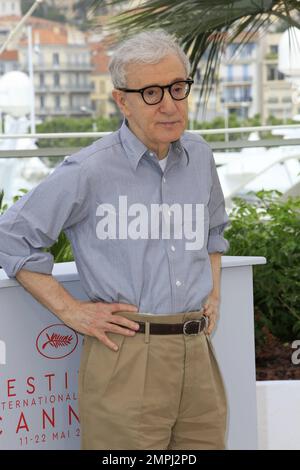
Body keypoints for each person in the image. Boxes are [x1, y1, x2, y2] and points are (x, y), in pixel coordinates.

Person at [0, 29, 230, 450]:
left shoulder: (200, 156)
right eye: (151, 93)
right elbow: (11, 236)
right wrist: (72, 311)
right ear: (122, 100)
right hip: (127, 357)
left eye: (177, 88)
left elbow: (214, 231)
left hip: (198, 357)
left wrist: (213, 295)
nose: (170, 105)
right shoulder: (89, 170)